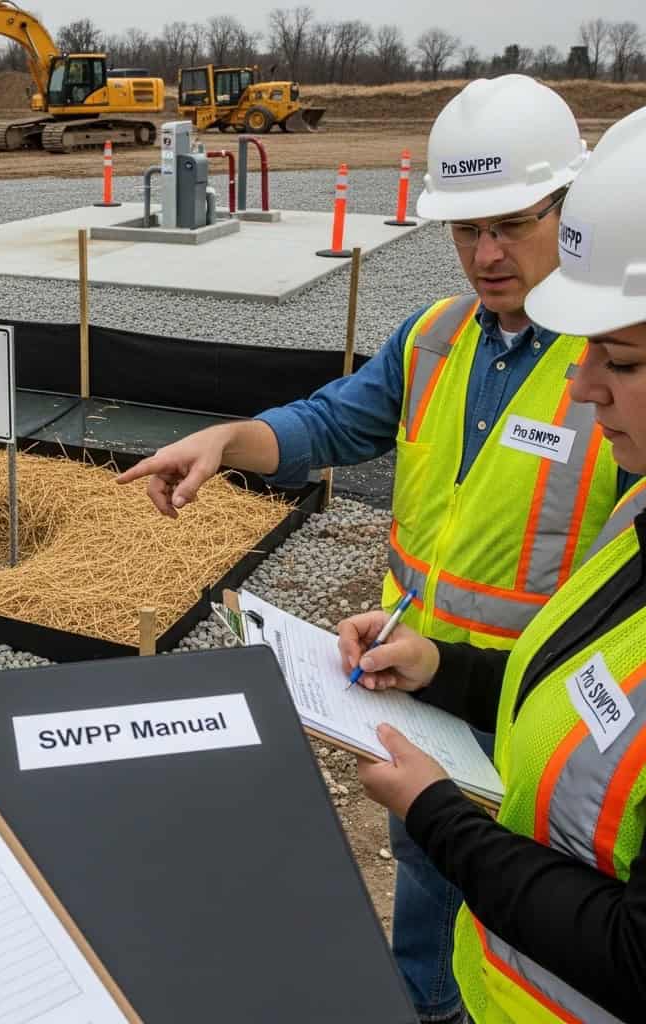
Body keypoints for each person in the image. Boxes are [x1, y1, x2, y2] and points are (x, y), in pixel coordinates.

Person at [118, 75, 637, 1023]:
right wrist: (227, 441)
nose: (485, 255)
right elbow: (325, 424)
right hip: (418, 691)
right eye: (464, 230)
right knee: (425, 915)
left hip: (545, 737)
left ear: (569, 209)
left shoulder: (610, 374)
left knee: (527, 944)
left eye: (511, 226)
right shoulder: (436, 338)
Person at [339, 106, 646, 1024]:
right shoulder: (639, 515)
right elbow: (584, 683)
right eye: (467, 229)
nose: (585, 387)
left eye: (621, 362)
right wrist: (442, 669)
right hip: (458, 766)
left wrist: (445, 820)